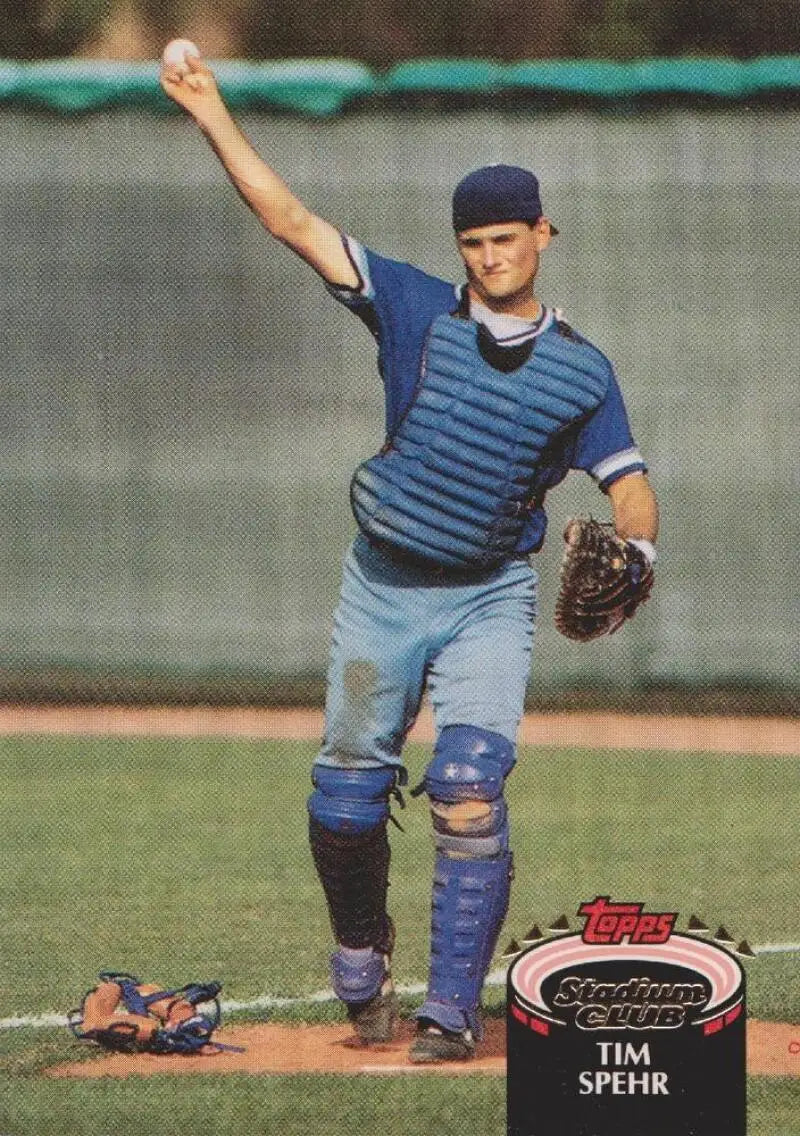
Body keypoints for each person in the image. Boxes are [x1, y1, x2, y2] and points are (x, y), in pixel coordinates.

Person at [161, 48, 659, 1064]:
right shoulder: (411, 307)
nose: (487, 256)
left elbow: (626, 475)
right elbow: (291, 221)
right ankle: (360, 958)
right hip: (382, 585)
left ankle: (448, 1010)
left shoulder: (578, 370)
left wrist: (638, 539)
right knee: (344, 800)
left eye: (505, 238)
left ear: (541, 235)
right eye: (472, 241)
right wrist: (211, 111)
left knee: (469, 786)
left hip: (487, 597)